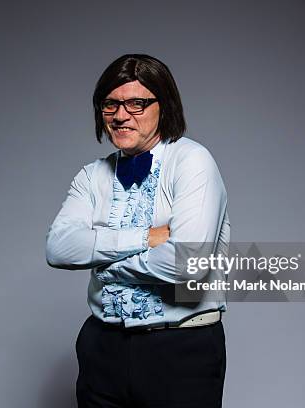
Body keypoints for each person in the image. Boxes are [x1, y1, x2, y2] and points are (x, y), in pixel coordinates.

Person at [46, 54, 230, 407]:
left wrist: (105, 263)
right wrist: (146, 238)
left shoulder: (193, 162)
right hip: (102, 346)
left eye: (136, 103)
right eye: (110, 104)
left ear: (165, 105)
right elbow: (58, 248)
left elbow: (185, 263)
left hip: (180, 350)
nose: (120, 115)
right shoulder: (91, 176)